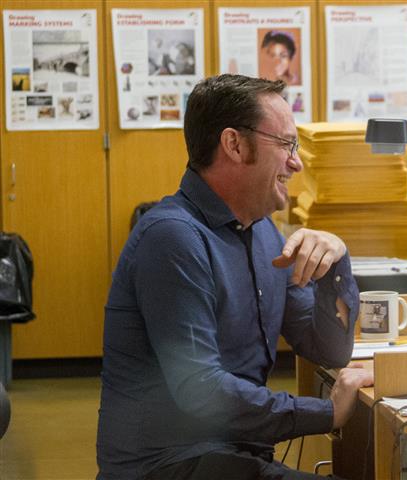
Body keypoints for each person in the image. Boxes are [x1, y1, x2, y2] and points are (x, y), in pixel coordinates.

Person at [96, 74, 373, 479]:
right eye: (286, 145)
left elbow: (326, 350)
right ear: (234, 145)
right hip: (170, 465)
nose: (296, 163)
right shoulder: (172, 238)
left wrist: (337, 263)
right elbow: (201, 390)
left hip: (231, 455)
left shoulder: (263, 232)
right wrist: (327, 412)